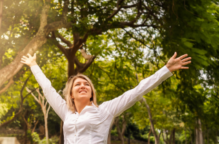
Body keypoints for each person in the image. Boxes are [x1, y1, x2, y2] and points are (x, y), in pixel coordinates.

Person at [21, 52, 191, 144]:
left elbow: (137, 91)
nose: (82, 86)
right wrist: (34, 65)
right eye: (77, 85)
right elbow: (47, 88)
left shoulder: (104, 110)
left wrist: (165, 70)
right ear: (71, 94)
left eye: (86, 84)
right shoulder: (66, 113)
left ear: (92, 92)